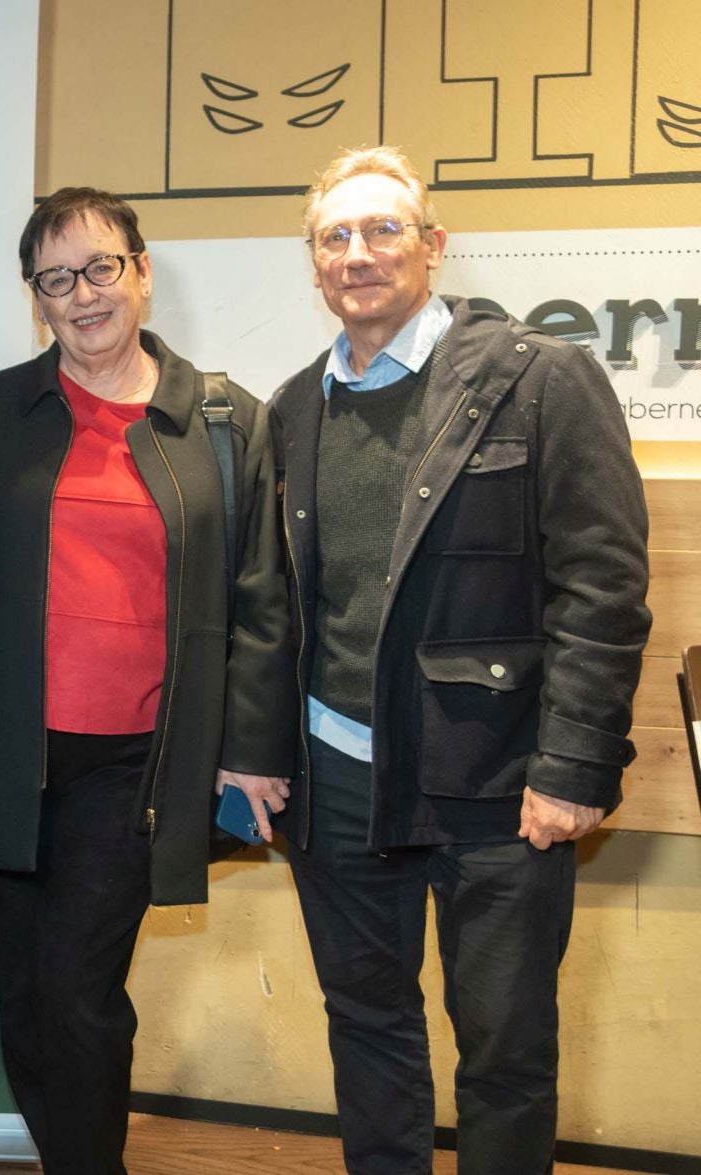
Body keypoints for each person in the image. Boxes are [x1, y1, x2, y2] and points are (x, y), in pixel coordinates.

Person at [269, 146, 651, 1173]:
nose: (359, 253)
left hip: (499, 779)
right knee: (369, 1028)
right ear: (314, 267)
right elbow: (280, 609)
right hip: (338, 780)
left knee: (506, 1048)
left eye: (383, 229)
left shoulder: (540, 377)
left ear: (433, 247)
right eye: (335, 237)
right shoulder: (292, 409)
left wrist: (572, 767)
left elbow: (602, 584)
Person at [0, 187, 294, 1171]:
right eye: (56, 279)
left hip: (137, 766)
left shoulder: (225, 420)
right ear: (38, 300)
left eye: (101, 267)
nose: (83, 293)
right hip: (9, 755)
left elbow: (264, 595)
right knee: (22, 992)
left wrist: (250, 753)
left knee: (76, 987)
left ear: (142, 272)